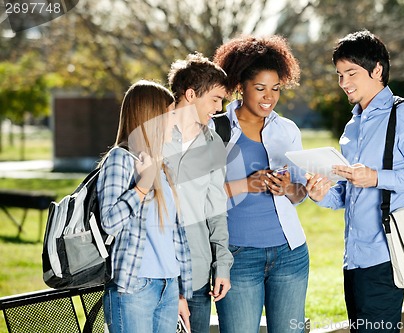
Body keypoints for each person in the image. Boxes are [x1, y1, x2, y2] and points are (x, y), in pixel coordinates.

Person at [305, 30, 404, 333]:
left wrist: (376, 177)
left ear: (377, 70)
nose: (344, 83)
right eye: (340, 75)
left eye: (351, 73)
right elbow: (346, 193)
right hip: (354, 259)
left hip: (386, 255)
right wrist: (320, 195)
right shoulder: (352, 125)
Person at [212, 35, 309, 333]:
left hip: (289, 254)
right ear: (241, 86)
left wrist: (288, 189)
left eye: (276, 88)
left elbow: (300, 192)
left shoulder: (287, 130)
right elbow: (197, 195)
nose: (269, 97)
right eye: (260, 88)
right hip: (237, 256)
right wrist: (246, 183)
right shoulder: (215, 129)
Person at [97, 79, 192, 333]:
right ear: (152, 116)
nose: (174, 120)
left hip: (168, 287)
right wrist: (141, 187)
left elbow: (173, 234)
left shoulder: (162, 165)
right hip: (135, 286)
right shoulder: (121, 159)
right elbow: (109, 221)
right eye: (170, 113)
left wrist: (181, 293)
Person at [166, 52, 233, 333]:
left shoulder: (213, 142)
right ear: (191, 95)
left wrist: (223, 264)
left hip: (197, 275)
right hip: (155, 274)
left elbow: (215, 209)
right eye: (215, 99)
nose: (219, 109)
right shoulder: (152, 134)